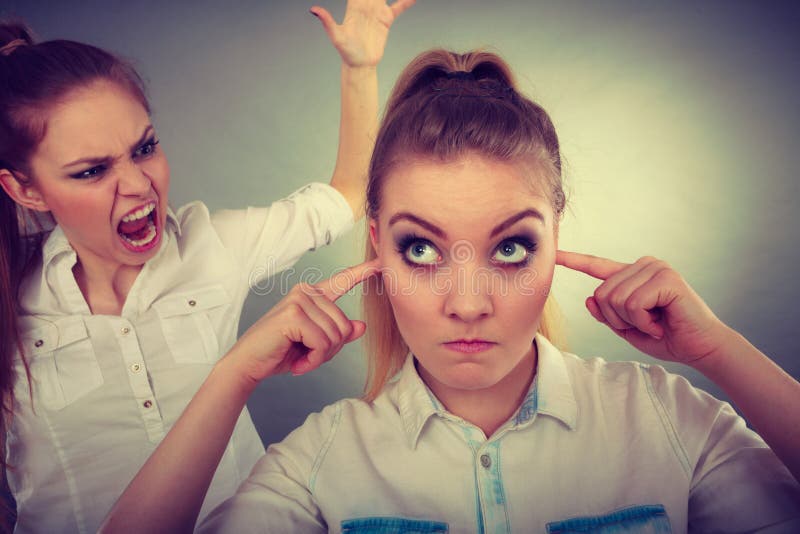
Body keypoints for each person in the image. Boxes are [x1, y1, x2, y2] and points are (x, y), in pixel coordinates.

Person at [102, 49, 800, 533]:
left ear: (557, 239)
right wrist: (232, 376)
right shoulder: (321, 462)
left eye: (512, 248)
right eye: (422, 249)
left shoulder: (669, 421)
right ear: (376, 245)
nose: (468, 304)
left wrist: (720, 352)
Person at [0, 1, 414, 532]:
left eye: (144, 147)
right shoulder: (12, 298)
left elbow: (348, 195)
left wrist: (359, 70)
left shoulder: (211, 244)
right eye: (92, 171)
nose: (138, 183)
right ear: (25, 189)